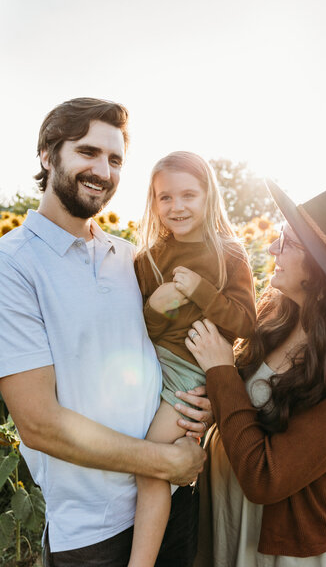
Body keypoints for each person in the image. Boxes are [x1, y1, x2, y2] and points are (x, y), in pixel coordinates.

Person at [0, 98, 209, 567]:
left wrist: (198, 399)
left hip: (170, 500)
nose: (104, 171)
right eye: (87, 152)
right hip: (93, 527)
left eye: (115, 159)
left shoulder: (129, 256)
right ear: (47, 154)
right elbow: (37, 424)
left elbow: (166, 350)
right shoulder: (11, 266)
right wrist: (163, 463)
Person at [185, 180, 326, 566]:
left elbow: (267, 479)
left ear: (321, 270)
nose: (271, 248)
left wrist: (221, 370)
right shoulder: (277, 311)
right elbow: (248, 400)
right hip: (228, 505)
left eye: (289, 242)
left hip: (285, 539)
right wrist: (216, 406)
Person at [131, 151, 256, 566]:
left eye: (188, 194)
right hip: (150, 363)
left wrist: (201, 290)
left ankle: (142, 561)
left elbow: (243, 324)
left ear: (208, 197)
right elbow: (143, 330)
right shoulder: (148, 258)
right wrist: (156, 305)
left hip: (189, 373)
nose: (176, 206)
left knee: (152, 461)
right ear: (153, 202)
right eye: (164, 197)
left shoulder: (228, 255)